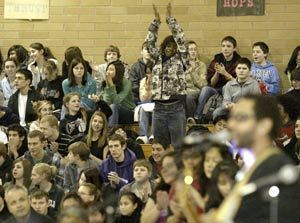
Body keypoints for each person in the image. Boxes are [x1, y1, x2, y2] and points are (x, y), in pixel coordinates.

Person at [208, 95, 300, 223]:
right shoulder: (250, 167)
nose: (231, 125)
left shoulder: (277, 172)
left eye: (241, 118)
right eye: (233, 118)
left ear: (264, 126)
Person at [146, 3, 189, 150]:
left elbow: (181, 39)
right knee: (158, 146)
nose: (170, 48)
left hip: (176, 108)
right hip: (158, 109)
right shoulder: (156, 58)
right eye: (167, 45)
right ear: (164, 46)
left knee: (178, 146)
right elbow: (149, 43)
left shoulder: (182, 58)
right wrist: (156, 22)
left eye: (173, 46)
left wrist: (170, 20)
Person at [192, 36, 241, 123]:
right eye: (223, 46)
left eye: (228, 46)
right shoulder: (217, 59)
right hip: (216, 88)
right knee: (205, 89)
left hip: (229, 90)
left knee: (226, 87)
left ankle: (221, 119)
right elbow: (212, 83)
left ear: (234, 48)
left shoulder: (238, 61)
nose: (225, 49)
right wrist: (217, 72)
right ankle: (197, 117)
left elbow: (237, 83)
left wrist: (225, 73)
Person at [98, 60, 135, 126]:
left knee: (113, 106)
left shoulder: (126, 83)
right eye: (107, 69)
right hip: (112, 112)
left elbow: (116, 101)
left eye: (111, 70)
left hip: (128, 112)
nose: (108, 72)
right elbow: (107, 102)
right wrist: (107, 86)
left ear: (118, 72)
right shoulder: (105, 82)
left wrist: (111, 86)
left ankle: (111, 133)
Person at [185, 40, 207, 119]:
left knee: (188, 96)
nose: (193, 52)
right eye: (191, 50)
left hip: (195, 90)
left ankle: (191, 120)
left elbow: (202, 85)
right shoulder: (180, 64)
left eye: (195, 49)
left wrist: (193, 71)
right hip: (183, 89)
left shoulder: (201, 65)